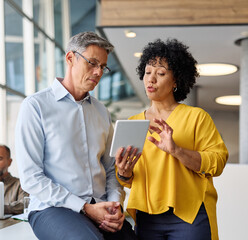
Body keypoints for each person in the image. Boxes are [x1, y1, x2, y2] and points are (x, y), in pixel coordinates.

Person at [15, 31, 137, 240]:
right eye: (92, 63)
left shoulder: (101, 111)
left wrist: (116, 205)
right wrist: (84, 207)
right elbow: (31, 177)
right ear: (70, 58)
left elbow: (110, 169)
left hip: (98, 205)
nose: (98, 72)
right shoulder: (36, 106)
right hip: (52, 208)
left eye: (103, 67)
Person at [115, 38, 229, 240]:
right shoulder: (132, 122)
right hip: (146, 217)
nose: (151, 79)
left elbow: (218, 162)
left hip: (190, 214)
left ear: (176, 80)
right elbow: (128, 179)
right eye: (148, 72)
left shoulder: (196, 117)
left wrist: (177, 150)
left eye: (160, 74)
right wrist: (124, 174)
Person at [0, 144, 28, 215]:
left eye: (0, 159)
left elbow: (24, 205)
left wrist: (2, 208)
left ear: (9, 162)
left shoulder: (20, 184)